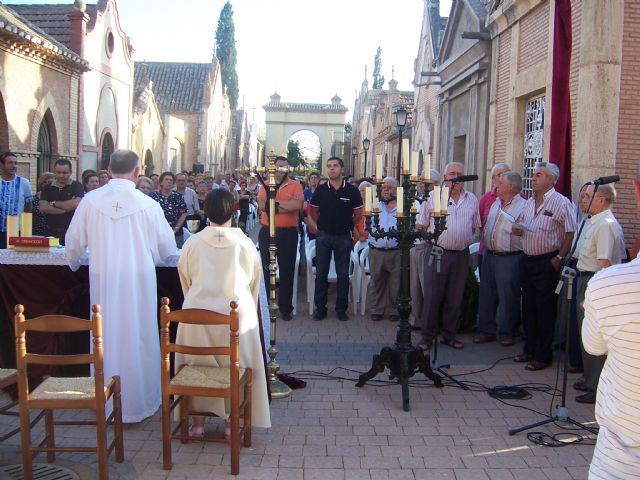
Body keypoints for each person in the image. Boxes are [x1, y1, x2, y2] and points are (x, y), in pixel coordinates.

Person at [65, 149, 176, 422]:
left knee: (106, 336)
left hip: (103, 279)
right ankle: (138, 404)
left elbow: (73, 245)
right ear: (137, 172)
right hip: (138, 281)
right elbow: (166, 249)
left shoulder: (91, 201)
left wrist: (74, 262)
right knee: (137, 335)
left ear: (108, 168)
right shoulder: (147, 204)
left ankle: (105, 403)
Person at [174, 188, 270, 437]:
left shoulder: (192, 242)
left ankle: (197, 424)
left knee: (195, 364)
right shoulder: (246, 244)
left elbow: (185, 278)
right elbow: (254, 281)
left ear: (206, 211)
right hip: (237, 317)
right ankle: (232, 424)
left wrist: (199, 300)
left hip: (198, 316)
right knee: (237, 365)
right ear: (234, 210)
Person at [581, 170, 640, 478]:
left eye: (588, 196)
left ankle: (589, 386)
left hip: (620, 462)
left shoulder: (611, 285)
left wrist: (597, 294)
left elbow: (593, 345)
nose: (582, 200)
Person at [513, 162, 575, 371]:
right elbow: (520, 224)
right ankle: (529, 349)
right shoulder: (529, 202)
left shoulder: (561, 202)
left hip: (547, 261)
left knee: (545, 310)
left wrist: (558, 258)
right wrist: (517, 229)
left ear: (551, 179)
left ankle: (543, 355)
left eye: (539, 175)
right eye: (533, 174)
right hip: (527, 260)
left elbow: (570, 232)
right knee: (528, 308)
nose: (534, 178)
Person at [416, 162, 481, 350]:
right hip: (437, 252)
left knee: (455, 296)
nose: (457, 177)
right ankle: (427, 336)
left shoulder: (472, 199)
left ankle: (449, 334)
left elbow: (475, 225)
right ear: (445, 177)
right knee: (432, 296)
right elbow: (421, 225)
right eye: (452, 173)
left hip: (460, 254)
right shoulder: (433, 197)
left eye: (460, 173)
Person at [572, 183, 626, 404]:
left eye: (587, 196)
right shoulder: (595, 221)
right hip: (585, 278)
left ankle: (596, 387)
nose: (583, 199)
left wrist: (593, 296)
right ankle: (588, 379)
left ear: (601, 199)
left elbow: (603, 263)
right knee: (586, 335)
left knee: (595, 337)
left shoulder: (606, 224)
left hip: (595, 282)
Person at [474, 171, 527, 346]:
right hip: (490, 254)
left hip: (509, 257)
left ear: (511, 186)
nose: (497, 184)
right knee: (487, 294)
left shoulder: (524, 206)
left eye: (501, 182)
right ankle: (486, 330)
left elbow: (526, 230)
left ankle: (507, 332)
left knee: (508, 296)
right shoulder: (496, 202)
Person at [310, 156, 363, 321]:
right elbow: (313, 214)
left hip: (343, 237)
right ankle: (320, 309)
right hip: (324, 236)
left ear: (342, 169)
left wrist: (346, 224)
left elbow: (358, 214)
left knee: (342, 274)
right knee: (321, 274)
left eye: (335, 166)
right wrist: (320, 229)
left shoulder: (352, 191)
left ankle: (341, 309)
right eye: (329, 166)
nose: (331, 168)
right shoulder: (321, 190)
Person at [257, 156, 303, 321]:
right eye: (278, 167)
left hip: (288, 234)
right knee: (267, 269)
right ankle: (267, 305)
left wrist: (274, 204)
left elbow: (297, 205)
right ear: (273, 168)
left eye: (284, 167)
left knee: (287, 269)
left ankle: (285, 308)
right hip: (267, 231)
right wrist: (285, 204)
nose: (281, 170)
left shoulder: (295, 185)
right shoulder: (265, 184)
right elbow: (262, 205)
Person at [367, 177, 400, 322]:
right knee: (376, 281)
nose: (386, 190)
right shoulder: (375, 205)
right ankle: (377, 309)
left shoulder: (403, 206)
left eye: (390, 187)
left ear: (397, 190)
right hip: (377, 250)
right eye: (384, 187)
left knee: (396, 283)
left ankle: (394, 309)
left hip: (396, 251)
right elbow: (367, 228)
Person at [40, 159, 84, 244]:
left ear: (70, 172)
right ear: (54, 172)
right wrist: (65, 209)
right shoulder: (47, 188)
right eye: (58, 172)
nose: (61, 175)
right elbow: (43, 207)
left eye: (65, 173)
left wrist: (53, 203)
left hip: (71, 232)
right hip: (50, 232)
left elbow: (75, 204)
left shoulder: (77, 186)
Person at [0, 152, 33, 248]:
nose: (14, 166)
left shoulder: (24, 183)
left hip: (17, 230)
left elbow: (28, 206)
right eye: (10, 163)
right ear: (2, 165)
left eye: (15, 163)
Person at [150, 172, 188, 248]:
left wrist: (176, 229)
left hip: (175, 233)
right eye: (166, 179)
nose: (169, 182)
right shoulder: (154, 196)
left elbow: (184, 213)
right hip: (158, 233)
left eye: (171, 180)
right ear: (161, 182)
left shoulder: (178, 196)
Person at [31, 172, 54, 236]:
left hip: (53, 235)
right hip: (36, 234)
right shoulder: (34, 199)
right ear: (42, 184)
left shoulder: (57, 199)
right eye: (49, 182)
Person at [303, 172, 320, 240]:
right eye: (312, 178)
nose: (314, 179)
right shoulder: (306, 192)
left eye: (315, 178)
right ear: (309, 181)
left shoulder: (321, 191)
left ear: (318, 180)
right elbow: (304, 207)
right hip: (309, 218)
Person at [353, 181, 371, 245]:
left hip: (373, 240)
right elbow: (352, 224)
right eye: (362, 190)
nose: (365, 193)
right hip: (359, 241)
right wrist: (359, 237)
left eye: (367, 190)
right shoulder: (356, 207)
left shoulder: (376, 207)